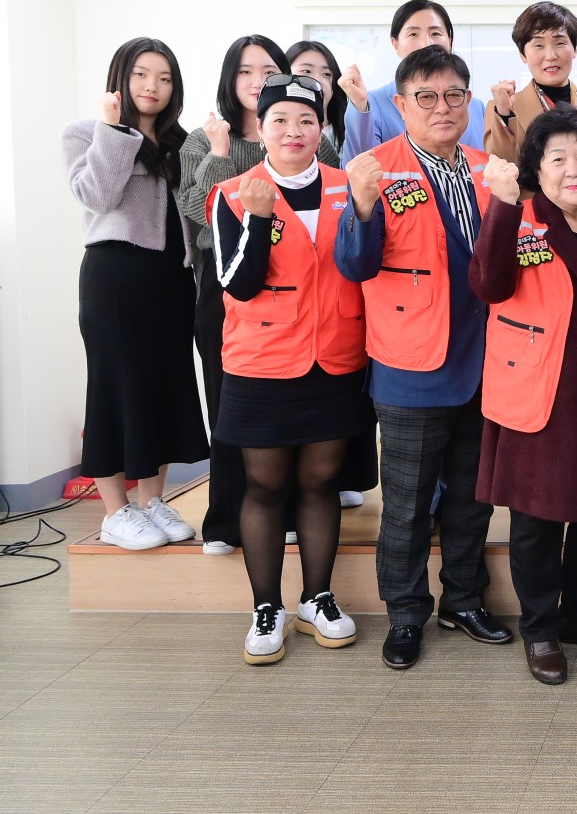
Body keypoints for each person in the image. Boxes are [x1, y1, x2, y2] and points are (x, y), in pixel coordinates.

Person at [335, 44, 514, 670]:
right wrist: (361, 206)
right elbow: (354, 265)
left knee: (471, 499)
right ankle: (406, 614)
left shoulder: (489, 170)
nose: (443, 108)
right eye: (427, 97)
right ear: (402, 104)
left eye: (454, 96)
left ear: (469, 102)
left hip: (486, 364)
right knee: (407, 506)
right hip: (410, 366)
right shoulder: (375, 171)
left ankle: (463, 601)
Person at [469, 109, 577, 685]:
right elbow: (489, 285)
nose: (574, 169)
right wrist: (501, 207)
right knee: (536, 520)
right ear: (537, 169)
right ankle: (541, 628)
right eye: (558, 158)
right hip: (541, 388)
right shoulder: (521, 220)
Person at [208, 73, 375, 665]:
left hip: (335, 358)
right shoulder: (233, 193)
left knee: (320, 482)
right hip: (261, 362)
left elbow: (366, 261)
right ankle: (266, 606)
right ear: (260, 128)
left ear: (322, 127)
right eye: (280, 120)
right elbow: (236, 283)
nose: (293, 131)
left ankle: (316, 598)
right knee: (264, 485)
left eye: (306, 120)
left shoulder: (347, 185)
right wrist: (257, 221)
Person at [178, 34, 338, 555]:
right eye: (244, 71)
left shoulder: (317, 147)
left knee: (307, 455)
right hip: (234, 296)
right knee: (235, 423)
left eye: (266, 70)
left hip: (314, 312)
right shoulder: (208, 145)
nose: (254, 80)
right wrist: (223, 157)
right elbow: (199, 214)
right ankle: (228, 524)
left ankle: (297, 540)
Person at [63, 38, 207, 551]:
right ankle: (114, 513)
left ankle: (152, 501)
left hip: (172, 279)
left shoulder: (181, 144)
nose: (152, 86)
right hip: (115, 278)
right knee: (113, 389)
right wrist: (114, 130)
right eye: (142, 74)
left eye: (164, 78)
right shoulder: (86, 133)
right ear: (121, 78)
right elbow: (96, 195)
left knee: (165, 386)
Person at [284, 40, 380, 511]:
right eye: (307, 71)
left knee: (331, 447)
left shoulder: (338, 135)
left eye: (326, 73)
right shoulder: (243, 168)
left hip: (341, 304)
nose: (318, 81)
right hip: (273, 323)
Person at [338, 0, 485, 160]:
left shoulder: (477, 107)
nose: (426, 43)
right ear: (396, 44)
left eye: (435, 33)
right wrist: (360, 107)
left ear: (450, 41)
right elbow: (356, 169)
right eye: (413, 34)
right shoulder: (372, 104)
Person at [484, 0, 577, 171]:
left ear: (575, 49)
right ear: (523, 55)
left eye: (560, 43)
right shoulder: (502, 109)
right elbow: (501, 169)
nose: (550, 55)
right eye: (539, 45)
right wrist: (504, 113)